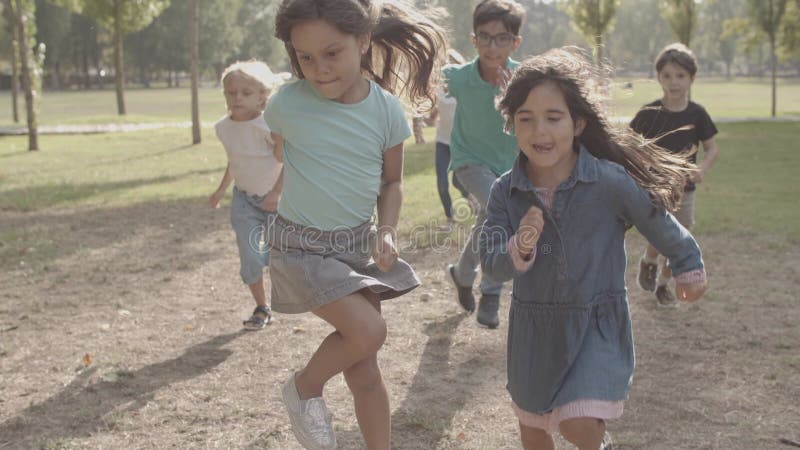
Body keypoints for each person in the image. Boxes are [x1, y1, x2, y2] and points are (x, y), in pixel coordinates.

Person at [479, 48, 708, 450]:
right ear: (512, 125)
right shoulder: (505, 192)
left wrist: (687, 263)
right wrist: (520, 243)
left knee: (579, 423)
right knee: (534, 429)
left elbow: (656, 220)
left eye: (553, 118)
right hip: (534, 334)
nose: (540, 132)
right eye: (525, 119)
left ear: (578, 122)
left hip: (596, 324)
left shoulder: (609, 181)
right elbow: (492, 263)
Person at [264, 1, 445, 448]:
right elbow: (279, 150)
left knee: (364, 368)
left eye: (331, 54)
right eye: (305, 58)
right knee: (368, 331)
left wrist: (386, 231)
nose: (319, 70)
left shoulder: (386, 111)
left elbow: (393, 182)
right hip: (300, 246)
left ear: (363, 41)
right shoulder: (286, 103)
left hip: (358, 245)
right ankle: (304, 388)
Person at [445, 0, 526, 329]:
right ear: (474, 40)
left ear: (515, 42)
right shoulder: (459, 78)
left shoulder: (524, 78)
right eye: (485, 37)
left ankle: (463, 275)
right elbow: (419, 79)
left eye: (502, 38)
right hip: (469, 161)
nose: (493, 46)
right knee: (500, 206)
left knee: (490, 215)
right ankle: (491, 292)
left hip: (511, 163)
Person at [630, 42, 720, 307]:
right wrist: (641, 164)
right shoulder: (649, 113)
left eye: (680, 76)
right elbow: (629, 144)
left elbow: (712, 148)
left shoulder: (697, 114)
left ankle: (662, 285)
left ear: (691, 78)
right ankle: (648, 260)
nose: (674, 82)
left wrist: (700, 170)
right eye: (667, 75)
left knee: (678, 240)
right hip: (656, 187)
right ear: (658, 77)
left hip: (686, 190)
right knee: (661, 234)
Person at [208, 60, 288, 331]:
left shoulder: (268, 125)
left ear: (262, 97)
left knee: (279, 254)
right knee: (251, 256)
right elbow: (236, 161)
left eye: (246, 93)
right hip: (244, 200)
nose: (237, 98)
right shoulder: (223, 127)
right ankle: (262, 307)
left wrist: (276, 193)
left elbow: (287, 159)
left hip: (277, 200)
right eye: (232, 93)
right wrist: (220, 190)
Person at [424, 49, 471, 225]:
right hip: (442, 142)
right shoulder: (438, 91)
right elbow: (434, 114)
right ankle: (450, 217)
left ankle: (470, 197)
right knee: (442, 182)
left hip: (461, 143)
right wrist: (428, 119)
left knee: (458, 181)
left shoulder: (465, 92)